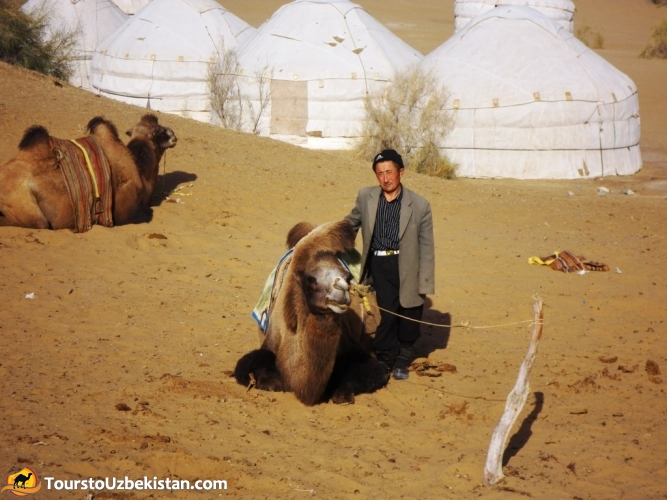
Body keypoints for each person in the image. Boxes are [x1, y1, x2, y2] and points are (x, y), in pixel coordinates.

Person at [345, 149, 435, 380]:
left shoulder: (420, 205)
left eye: (389, 172)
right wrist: (329, 236)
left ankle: (403, 359)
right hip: (379, 263)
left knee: (409, 311)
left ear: (401, 172)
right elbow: (350, 223)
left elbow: (427, 247)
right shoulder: (366, 197)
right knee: (387, 313)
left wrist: (425, 281)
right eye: (380, 173)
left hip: (408, 264)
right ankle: (384, 359)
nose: (385, 178)